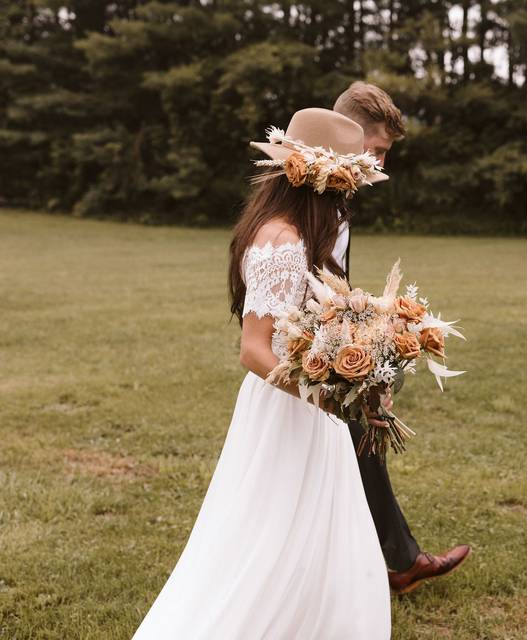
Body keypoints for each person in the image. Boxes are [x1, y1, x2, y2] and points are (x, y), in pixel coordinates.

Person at [131, 108, 391, 639]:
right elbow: (253, 348)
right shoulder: (283, 242)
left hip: (300, 402)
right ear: (319, 183)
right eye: (345, 185)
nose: (348, 198)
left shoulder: (288, 230)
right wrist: (326, 395)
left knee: (306, 529)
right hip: (288, 406)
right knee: (272, 532)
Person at [332, 81, 471, 594]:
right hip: (297, 354)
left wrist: (375, 330)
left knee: (361, 438)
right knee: (357, 438)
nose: (382, 164)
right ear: (349, 134)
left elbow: (331, 281)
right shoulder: (314, 196)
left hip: (327, 339)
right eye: (379, 150)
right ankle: (395, 562)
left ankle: (393, 561)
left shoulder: (337, 194)